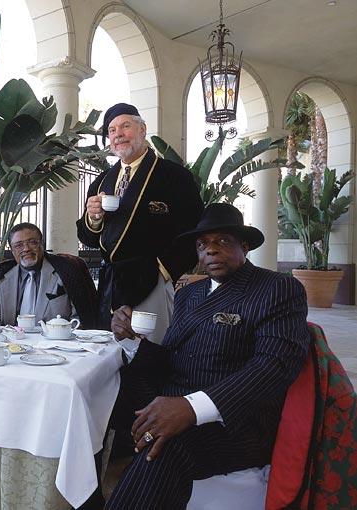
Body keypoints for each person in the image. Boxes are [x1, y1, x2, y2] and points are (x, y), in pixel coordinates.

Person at [106, 203, 310, 510]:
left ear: (244, 246)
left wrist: (191, 408)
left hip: (235, 421)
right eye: (202, 245)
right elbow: (174, 358)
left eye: (222, 241)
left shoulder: (277, 287)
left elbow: (275, 365)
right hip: (172, 400)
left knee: (165, 448)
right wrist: (132, 341)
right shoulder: (190, 293)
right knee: (97, 398)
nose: (211, 251)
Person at [77, 103, 203, 336]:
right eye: (112, 130)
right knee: (109, 355)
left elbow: (194, 229)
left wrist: (162, 272)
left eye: (125, 126)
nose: (118, 135)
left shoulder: (174, 177)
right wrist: (93, 218)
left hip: (149, 281)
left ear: (142, 129)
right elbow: (88, 238)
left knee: (149, 352)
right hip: (110, 286)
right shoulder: (102, 182)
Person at [0, 222, 98, 328]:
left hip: (56, 349)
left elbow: (81, 319)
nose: (26, 249)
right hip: (10, 349)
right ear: (12, 249)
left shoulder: (66, 272)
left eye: (32, 242)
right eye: (19, 245)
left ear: (42, 244)